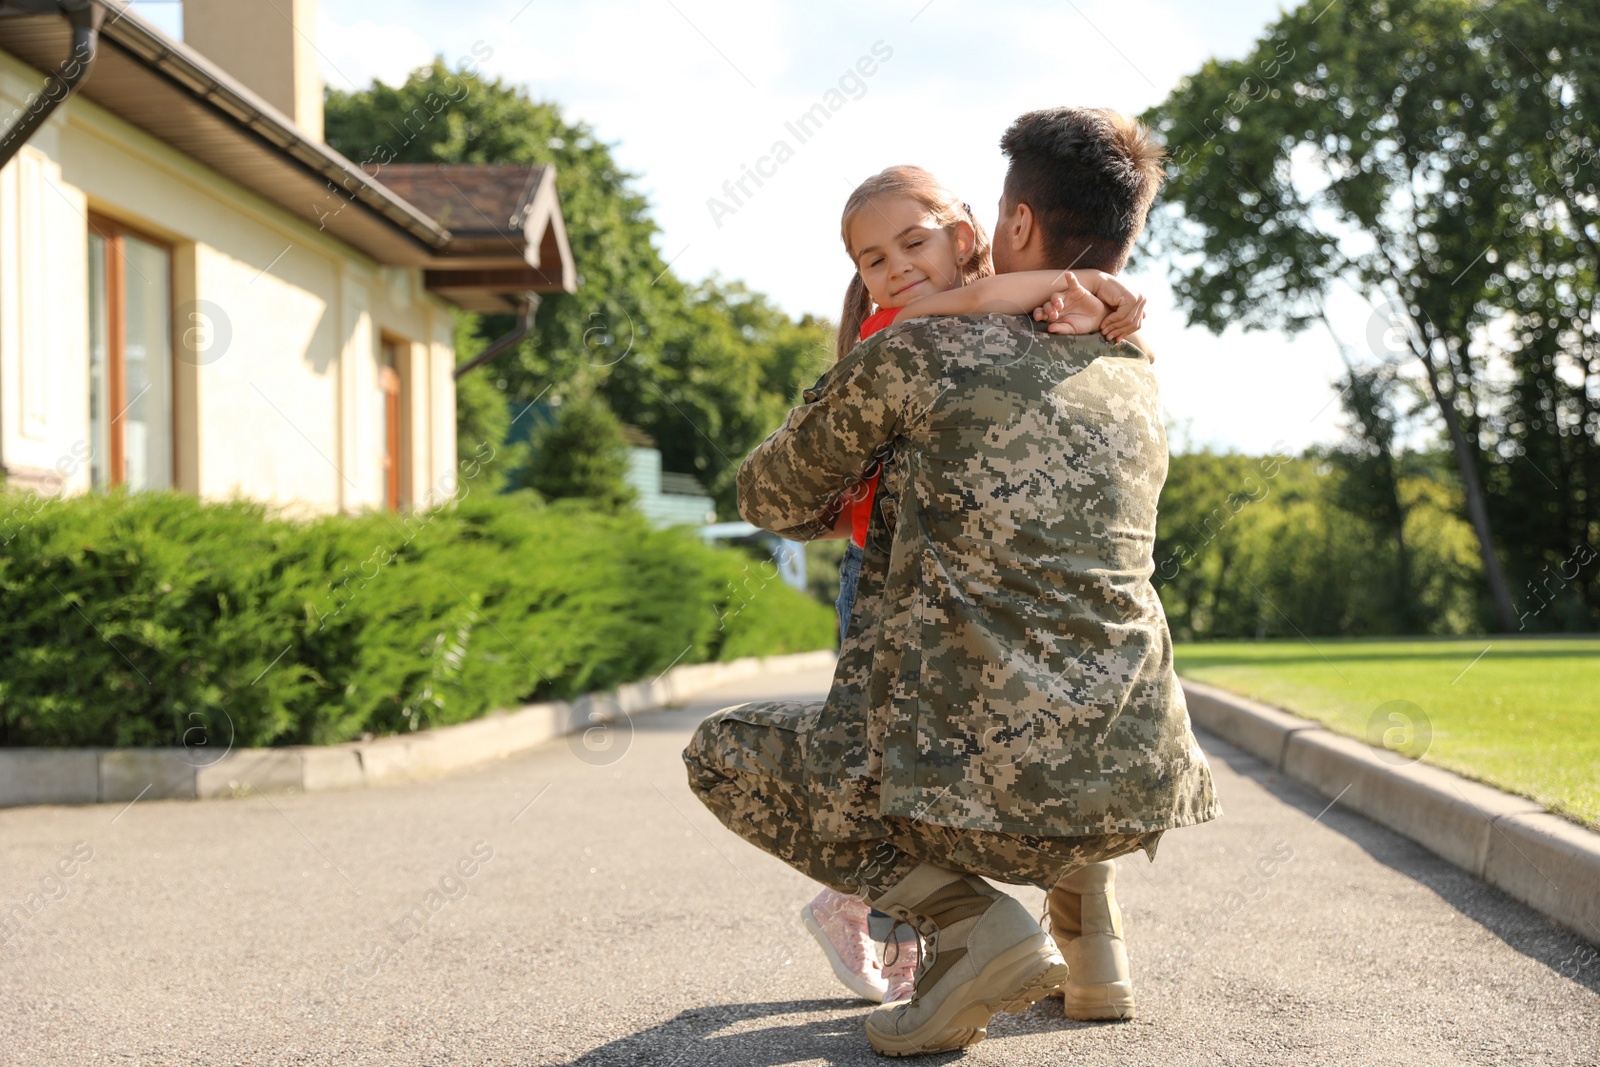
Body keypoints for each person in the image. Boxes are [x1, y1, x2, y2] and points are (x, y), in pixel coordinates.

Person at [684, 107, 1220, 1057]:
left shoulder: (916, 351)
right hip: (1136, 775)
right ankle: (1096, 956)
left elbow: (768, 490)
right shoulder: (1133, 362)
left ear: (1003, 228)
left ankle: (976, 931)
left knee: (724, 753)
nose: (892, 270)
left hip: (982, 788)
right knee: (1054, 667)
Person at [802, 163, 1150, 1009]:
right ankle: (873, 911)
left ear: (966, 237)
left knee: (976, 752)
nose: (894, 267)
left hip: (970, 574)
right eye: (872, 259)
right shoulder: (898, 327)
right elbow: (960, 307)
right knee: (892, 758)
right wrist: (1098, 286)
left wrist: (1095, 295)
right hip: (885, 578)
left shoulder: (1009, 314)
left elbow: (1044, 309)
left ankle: (920, 920)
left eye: (912, 242)